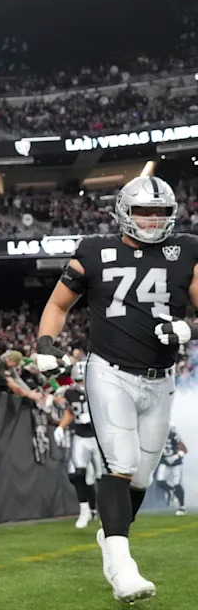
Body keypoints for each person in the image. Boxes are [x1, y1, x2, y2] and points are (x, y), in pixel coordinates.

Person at [34, 175, 194, 602]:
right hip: (109, 370)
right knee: (120, 465)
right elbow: (57, 304)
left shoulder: (188, 251)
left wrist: (188, 326)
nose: (152, 219)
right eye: (144, 210)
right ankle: (123, 567)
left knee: (140, 477)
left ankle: (111, 538)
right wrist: (45, 343)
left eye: (160, 212)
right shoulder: (94, 250)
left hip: (161, 379)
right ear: (125, 209)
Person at [52, 360, 100, 529]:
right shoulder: (70, 393)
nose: (81, 384)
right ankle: (84, 511)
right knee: (78, 474)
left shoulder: (100, 391)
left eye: (83, 380)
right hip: (80, 436)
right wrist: (60, 427)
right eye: (78, 380)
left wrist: (95, 419)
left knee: (103, 477)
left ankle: (106, 512)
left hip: (99, 438)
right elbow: (70, 411)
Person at [155, 425, 187, 515]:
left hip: (176, 463)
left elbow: (184, 449)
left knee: (177, 484)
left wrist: (176, 456)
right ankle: (171, 490)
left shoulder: (174, 435)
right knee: (159, 482)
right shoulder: (157, 436)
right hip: (165, 462)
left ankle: (182, 507)